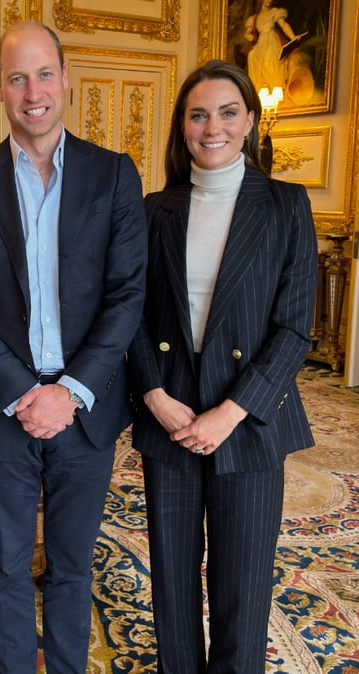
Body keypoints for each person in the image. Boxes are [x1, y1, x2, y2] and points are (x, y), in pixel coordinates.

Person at [0, 21, 147, 674]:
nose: (33, 91)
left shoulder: (114, 176)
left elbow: (127, 295)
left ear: (66, 79)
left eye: (44, 73)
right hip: (5, 408)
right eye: (17, 76)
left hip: (89, 408)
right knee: (5, 565)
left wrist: (70, 391)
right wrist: (28, 392)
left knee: (74, 566)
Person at [126, 59, 318, 674]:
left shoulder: (286, 205)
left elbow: (295, 329)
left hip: (250, 421)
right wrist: (154, 396)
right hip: (172, 413)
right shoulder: (154, 209)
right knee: (173, 583)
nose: (214, 126)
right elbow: (129, 313)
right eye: (198, 114)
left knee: (242, 584)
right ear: (183, 127)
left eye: (228, 112)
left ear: (251, 122)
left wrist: (230, 413)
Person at [243, 0, 312, 105]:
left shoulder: (275, 12)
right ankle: (258, 91)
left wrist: (293, 37)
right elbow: (247, 33)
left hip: (272, 41)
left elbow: (284, 25)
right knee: (252, 56)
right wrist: (249, 36)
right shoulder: (254, 18)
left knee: (270, 58)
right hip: (261, 44)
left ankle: (274, 91)